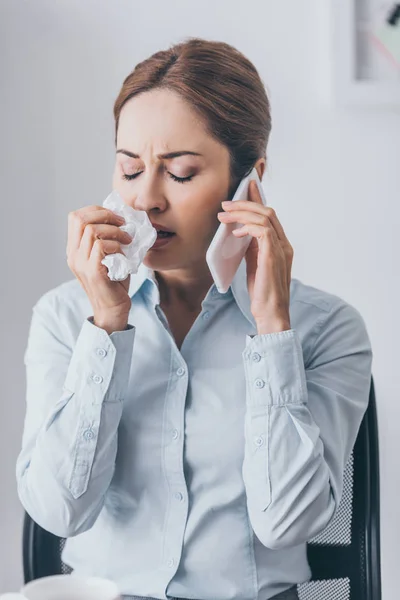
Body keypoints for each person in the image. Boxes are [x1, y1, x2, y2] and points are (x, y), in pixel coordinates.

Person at [16, 37, 373, 600]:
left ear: (248, 181)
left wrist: (273, 329)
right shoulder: (65, 317)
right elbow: (61, 510)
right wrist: (107, 326)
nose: (147, 199)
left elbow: (288, 523)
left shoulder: (326, 329)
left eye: (180, 173)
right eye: (129, 169)